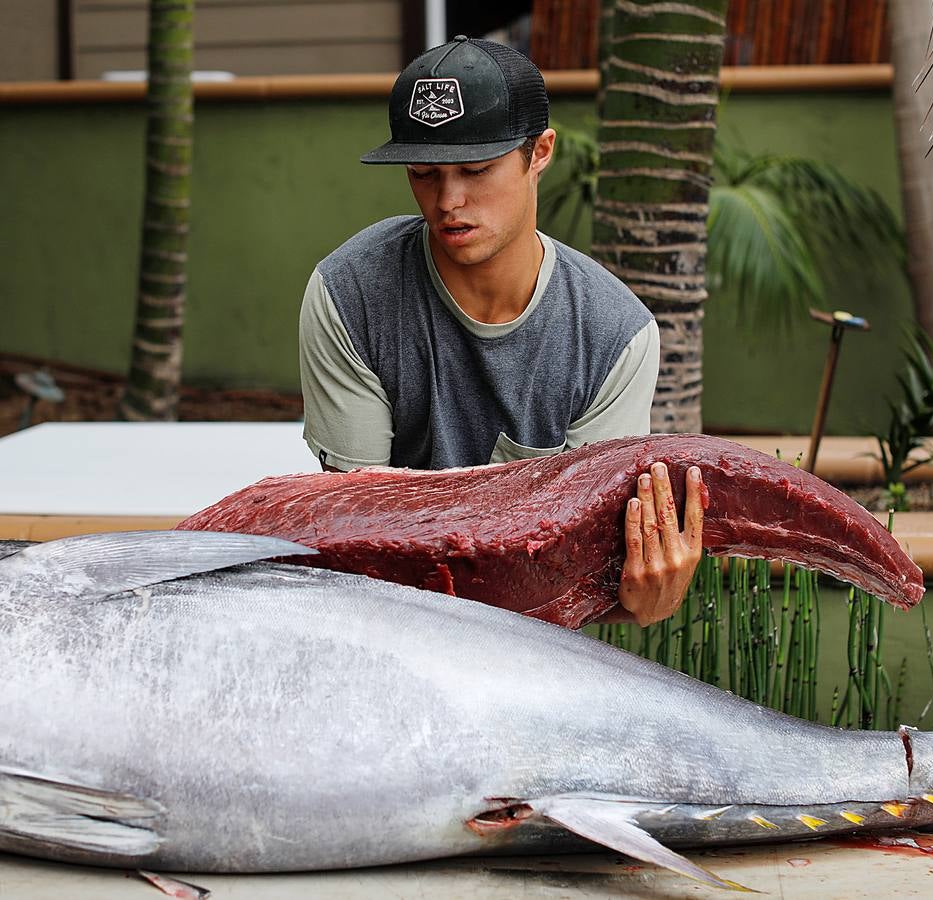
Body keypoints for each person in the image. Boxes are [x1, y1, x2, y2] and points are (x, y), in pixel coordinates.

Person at [298, 36, 702, 626]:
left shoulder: (614, 335)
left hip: (538, 658)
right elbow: (359, 546)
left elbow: (579, 568)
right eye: (423, 172)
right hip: (385, 636)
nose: (448, 200)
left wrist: (635, 598)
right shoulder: (350, 294)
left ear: (539, 152)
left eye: (476, 169)